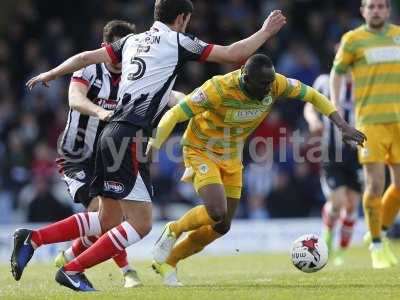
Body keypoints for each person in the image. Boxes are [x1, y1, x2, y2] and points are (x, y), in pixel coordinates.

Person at [14, 0, 286, 292]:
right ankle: (72, 269)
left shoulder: (132, 41)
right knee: (141, 223)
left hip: (111, 134)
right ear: (182, 18)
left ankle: (34, 239)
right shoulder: (179, 41)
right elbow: (236, 54)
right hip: (130, 136)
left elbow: (83, 57)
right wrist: (265, 32)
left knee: (109, 219)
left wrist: (51, 74)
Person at [147, 54, 366, 286]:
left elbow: (313, 95)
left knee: (222, 226)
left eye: (270, 82)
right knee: (216, 211)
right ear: (245, 77)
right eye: (262, 83)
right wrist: (154, 144)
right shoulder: (218, 88)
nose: (268, 88)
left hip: (231, 155)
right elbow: (174, 114)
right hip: (201, 149)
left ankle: (169, 262)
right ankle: (173, 229)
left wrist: (342, 126)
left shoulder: (276, 84)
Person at [52, 20, 144, 288]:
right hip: (76, 154)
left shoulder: (133, 74)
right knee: (100, 212)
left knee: (111, 217)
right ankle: (127, 271)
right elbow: (75, 99)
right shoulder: (88, 68)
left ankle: (70, 255)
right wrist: (100, 111)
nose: (121, 56)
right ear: (106, 47)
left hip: (109, 155)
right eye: (117, 49)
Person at [330, 0, 400, 269]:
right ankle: (378, 246)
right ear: (363, 11)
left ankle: (377, 229)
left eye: (381, 6)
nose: (376, 11)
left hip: (398, 122)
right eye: (371, 6)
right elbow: (336, 74)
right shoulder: (353, 40)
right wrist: (336, 106)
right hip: (370, 123)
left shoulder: (397, 36)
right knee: (374, 184)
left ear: (388, 10)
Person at [304, 71, 362, 266]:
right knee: (337, 201)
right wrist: (313, 121)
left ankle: (342, 253)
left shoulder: (364, 81)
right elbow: (309, 108)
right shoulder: (323, 81)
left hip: (358, 154)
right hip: (332, 152)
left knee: (352, 204)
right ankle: (326, 237)